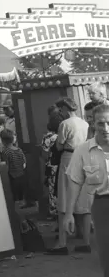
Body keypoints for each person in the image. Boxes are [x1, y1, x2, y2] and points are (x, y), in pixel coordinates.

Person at [65, 102, 109, 277]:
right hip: (101, 206)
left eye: (108, 122)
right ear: (93, 124)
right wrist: (68, 214)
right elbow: (74, 182)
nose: (105, 128)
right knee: (107, 257)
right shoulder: (83, 151)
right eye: (101, 123)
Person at [47, 97, 90, 255]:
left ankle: (62, 243)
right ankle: (85, 241)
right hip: (83, 159)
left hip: (68, 158)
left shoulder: (64, 124)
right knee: (83, 201)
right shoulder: (84, 123)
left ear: (65, 109)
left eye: (61, 109)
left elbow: (59, 145)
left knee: (64, 201)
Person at [41, 113, 62, 218]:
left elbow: (44, 153)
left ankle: (55, 213)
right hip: (64, 163)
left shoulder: (48, 137)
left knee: (52, 189)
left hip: (51, 165)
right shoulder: (63, 135)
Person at [0, 129, 27, 203]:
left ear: (2, 141)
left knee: (14, 198)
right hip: (21, 176)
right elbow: (24, 164)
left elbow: (6, 167)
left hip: (12, 178)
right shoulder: (19, 150)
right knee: (21, 197)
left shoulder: (5, 152)